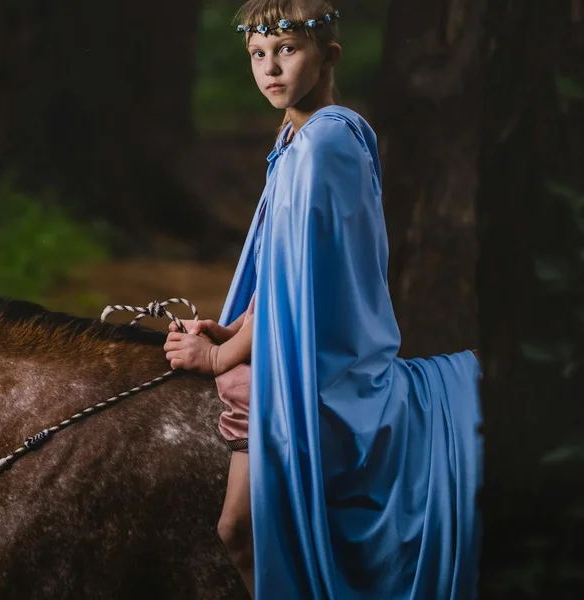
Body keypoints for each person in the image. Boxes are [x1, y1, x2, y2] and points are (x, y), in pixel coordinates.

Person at [163, 2, 483, 598]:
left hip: (330, 362)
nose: (270, 68)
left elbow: (300, 280)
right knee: (239, 529)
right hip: (303, 335)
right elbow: (290, 271)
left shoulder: (324, 143)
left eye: (286, 50)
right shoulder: (299, 137)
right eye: (257, 54)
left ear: (328, 55)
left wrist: (219, 357)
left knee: (240, 529)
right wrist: (237, 327)